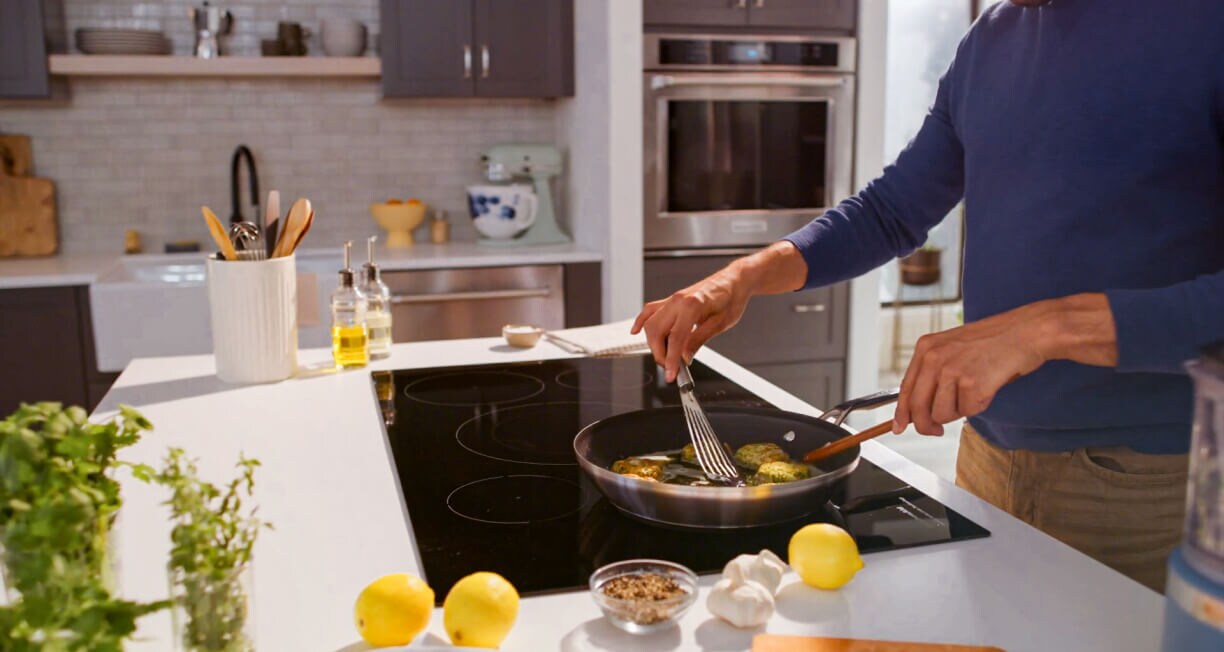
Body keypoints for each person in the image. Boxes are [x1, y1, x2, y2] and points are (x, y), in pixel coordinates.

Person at [632, 0, 1224, 593]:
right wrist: (743, 277)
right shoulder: (992, 39)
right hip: (987, 455)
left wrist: (1044, 329)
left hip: (1142, 484)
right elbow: (890, 211)